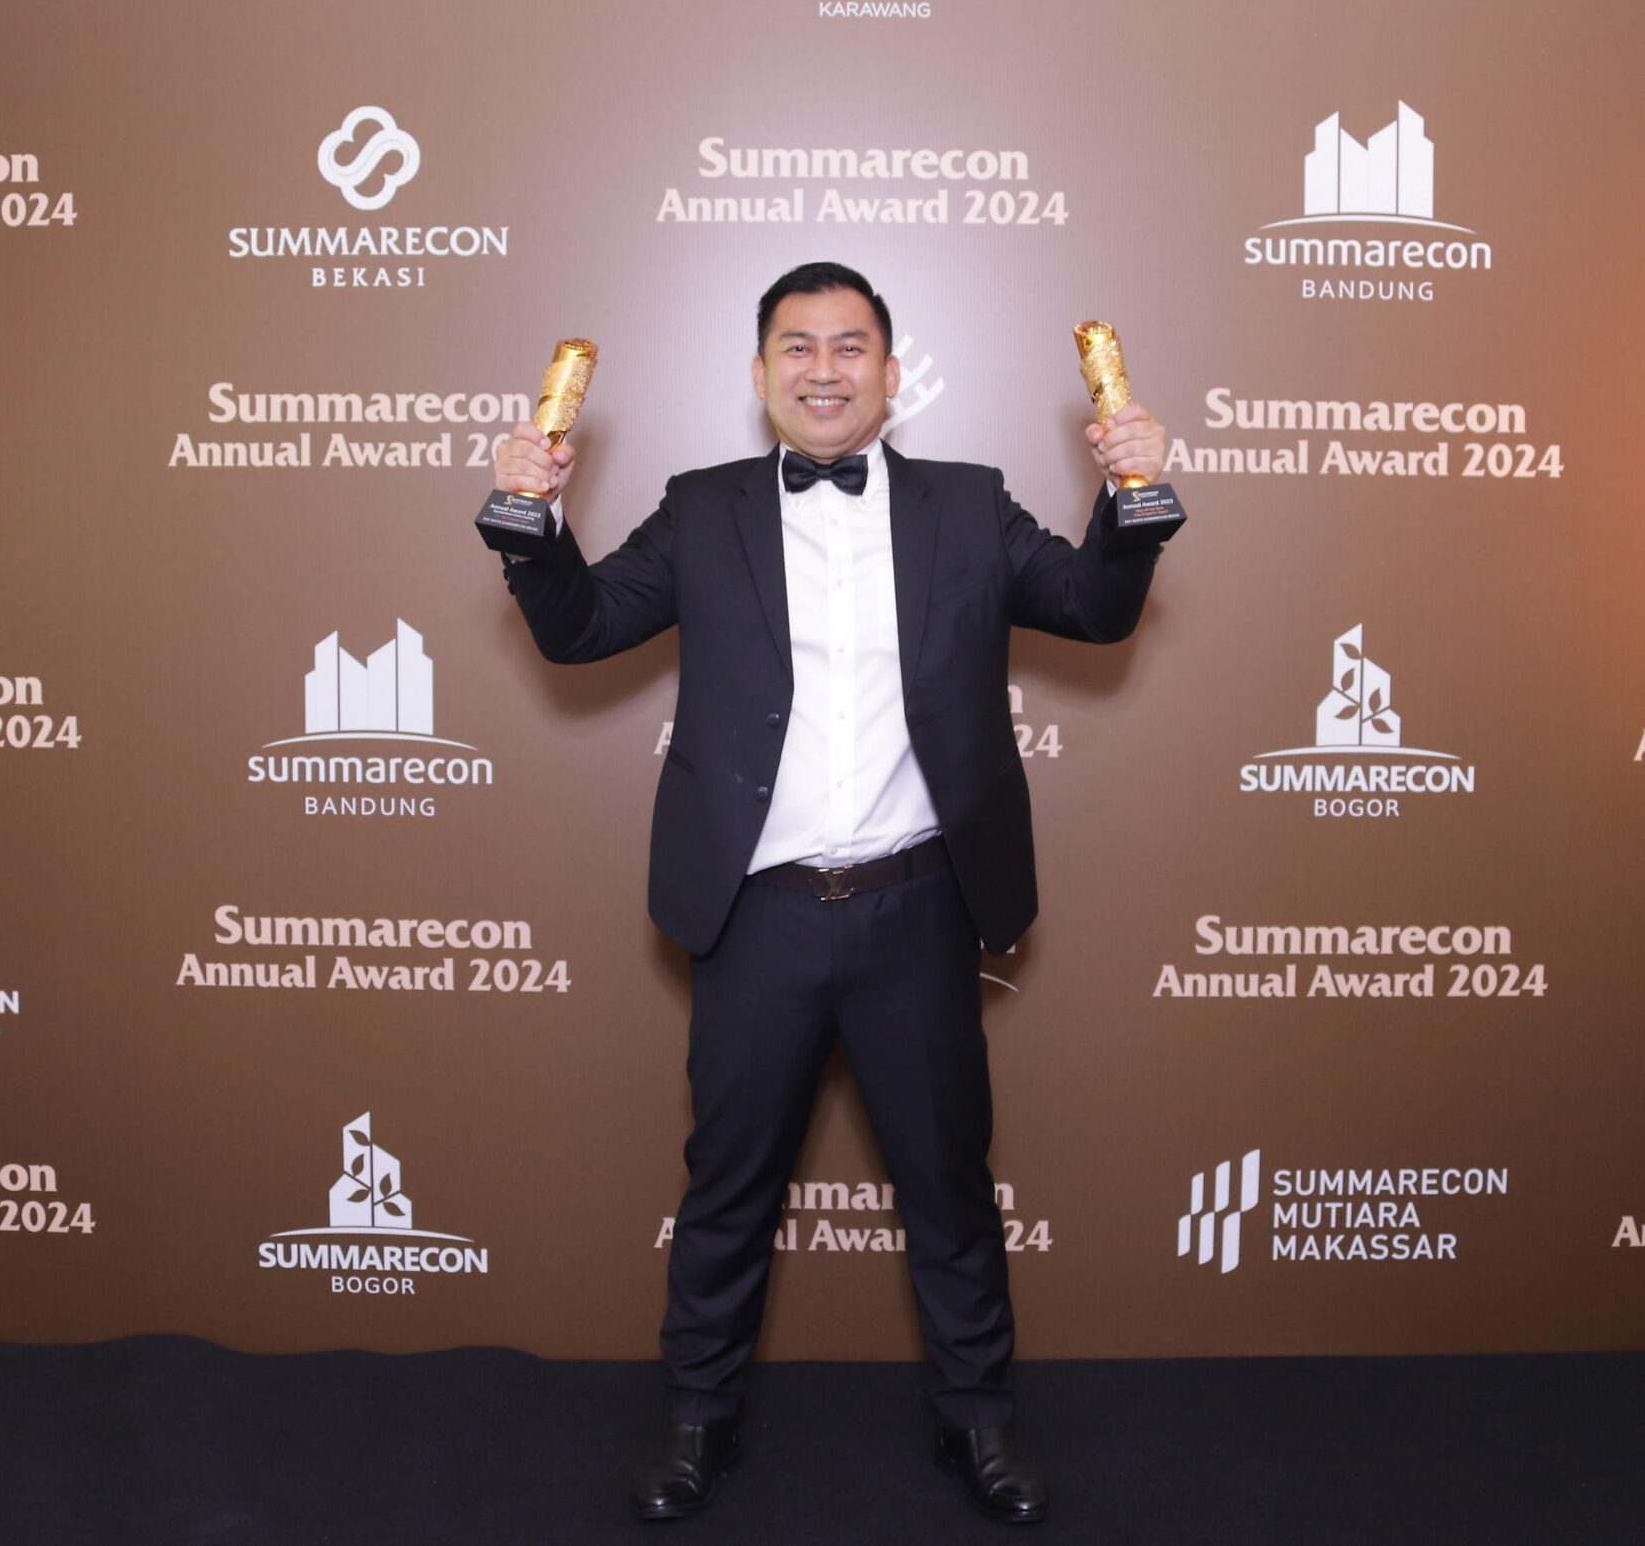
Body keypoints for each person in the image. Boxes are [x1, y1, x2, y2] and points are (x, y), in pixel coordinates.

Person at [491, 262, 1171, 1524]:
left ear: (891, 373)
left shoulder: (969, 504)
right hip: (756, 914)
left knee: (949, 1188)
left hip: (919, 908)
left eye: (849, 346)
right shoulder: (701, 509)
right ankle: (697, 1425)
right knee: (726, 1188)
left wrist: (1131, 498)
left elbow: (1091, 609)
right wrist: (531, 519)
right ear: (759, 376)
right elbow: (579, 630)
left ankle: (977, 1425)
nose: (823, 369)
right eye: (796, 347)